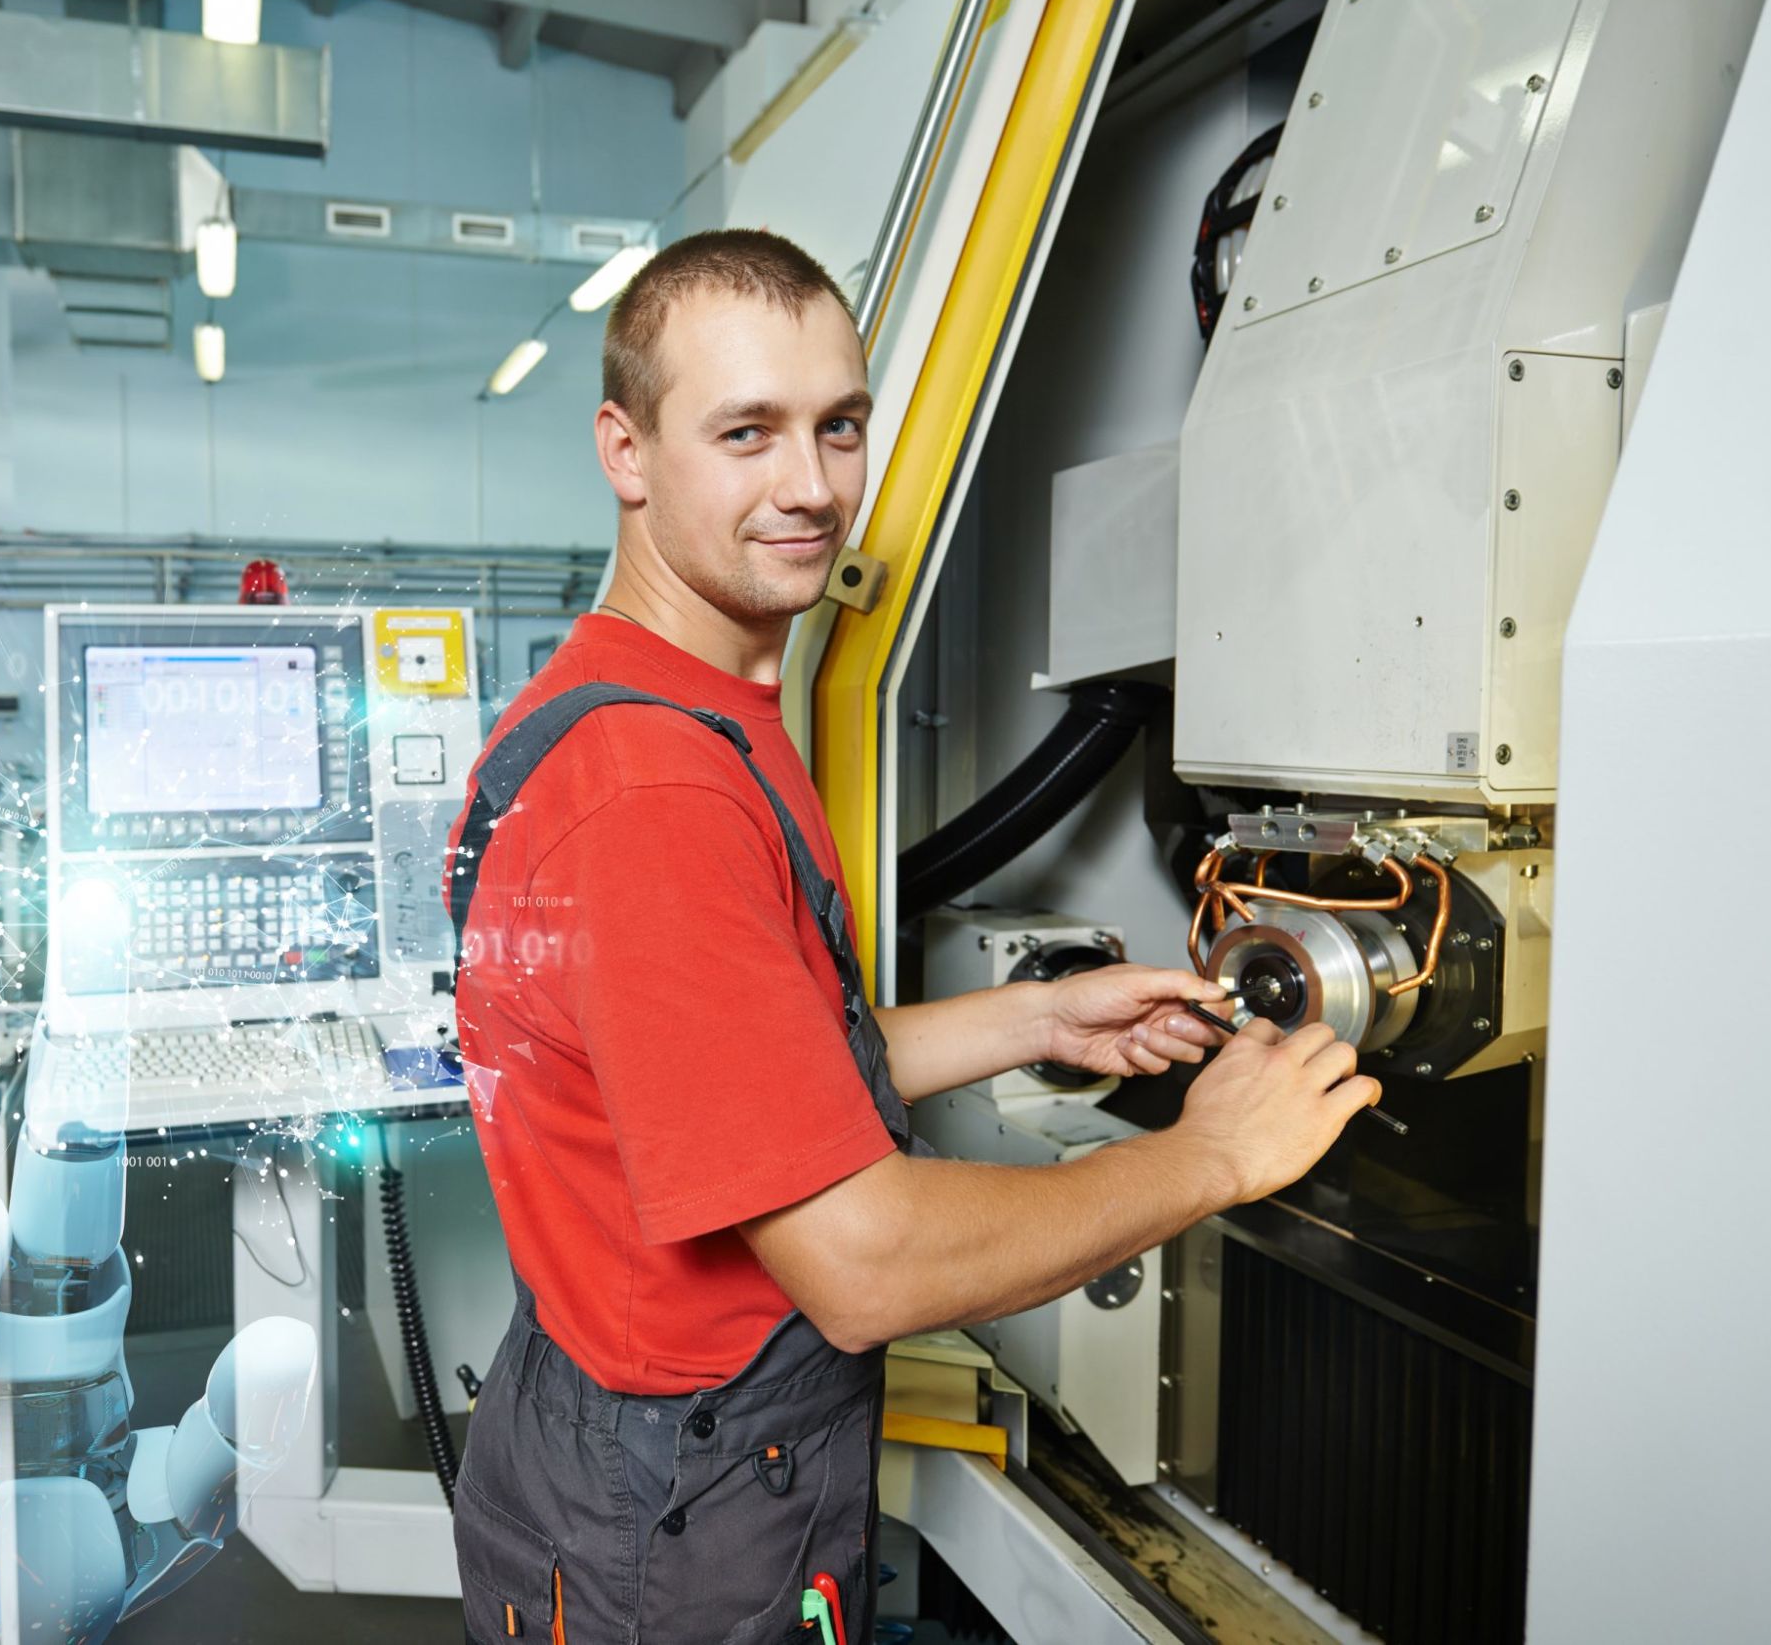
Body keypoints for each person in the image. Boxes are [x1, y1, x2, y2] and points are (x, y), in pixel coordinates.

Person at [439, 229, 1380, 1645]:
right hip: (675, 1530)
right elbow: (862, 1259)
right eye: (745, 433)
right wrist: (1208, 1155)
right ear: (625, 450)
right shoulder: (655, 797)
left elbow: (737, 1073)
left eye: (839, 425)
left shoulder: (643, 708)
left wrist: (1034, 1022)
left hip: (609, 1452)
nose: (811, 485)